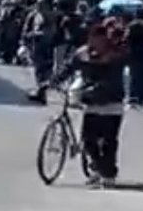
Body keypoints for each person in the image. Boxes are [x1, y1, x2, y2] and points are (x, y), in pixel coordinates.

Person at [54, 18, 128, 188]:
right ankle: (98, 169)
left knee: (109, 141)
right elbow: (69, 67)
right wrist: (54, 81)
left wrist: (91, 90)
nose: (95, 43)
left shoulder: (115, 55)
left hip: (112, 104)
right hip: (92, 104)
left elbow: (112, 82)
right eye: (92, 39)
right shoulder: (83, 53)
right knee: (88, 141)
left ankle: (108, 174)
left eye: (99, 40)